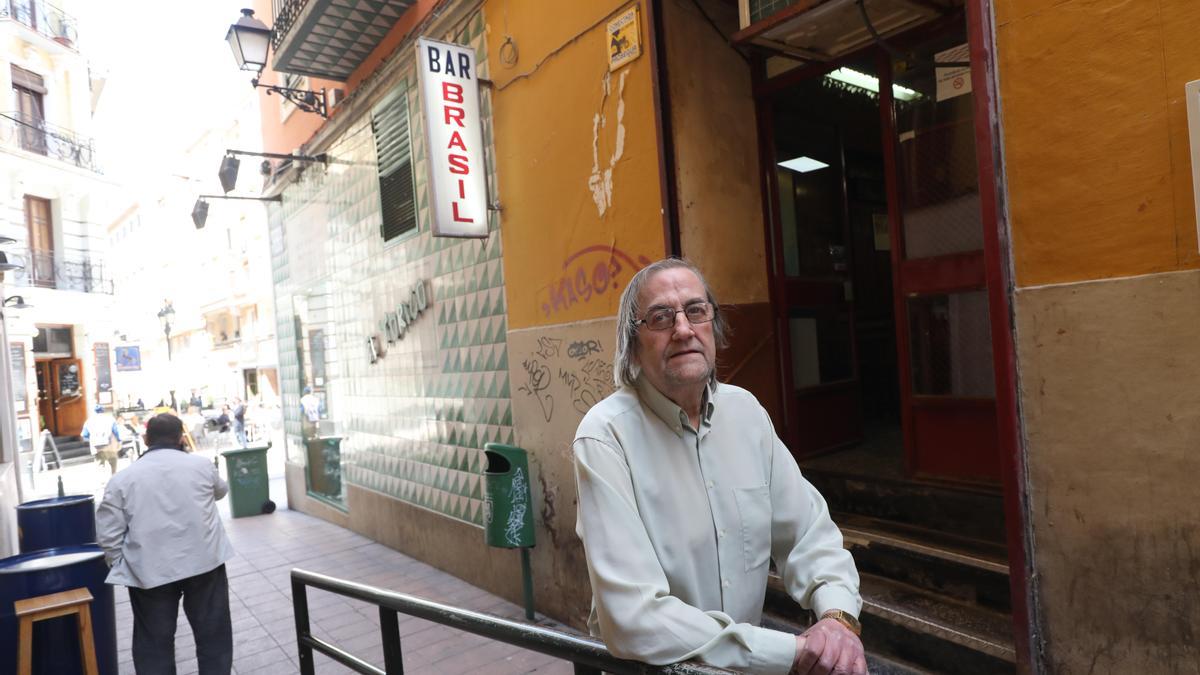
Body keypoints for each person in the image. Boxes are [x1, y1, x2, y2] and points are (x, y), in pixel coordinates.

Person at [573, 259, 866, 675]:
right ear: (633, 344)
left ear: (713, 325)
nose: (683, 329)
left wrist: (837, 619)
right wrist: (789, 652)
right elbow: (634, 617)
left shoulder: (745, 412)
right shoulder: (605, 437)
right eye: (660, 317)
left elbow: (808, 535)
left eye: (696, 310)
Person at [96, 414, 234, 674]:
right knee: (213, 635)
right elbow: (220, 491)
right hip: (204, 564)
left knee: (154, 643)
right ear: (181, 438)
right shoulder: (201, 466)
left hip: (150, 572)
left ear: (146, 439)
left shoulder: (123, 480)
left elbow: (108, 534)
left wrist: (123, 565)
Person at [82, 404, 121, 476]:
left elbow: (85, 435)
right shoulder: (110, 419)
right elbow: (116, 431)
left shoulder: (88, 421)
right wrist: (119, 440)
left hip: (97, 447)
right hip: (110, 446)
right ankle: (114, 477)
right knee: (113, 462)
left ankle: (103, 482)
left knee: (100, 464)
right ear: (103, 410)